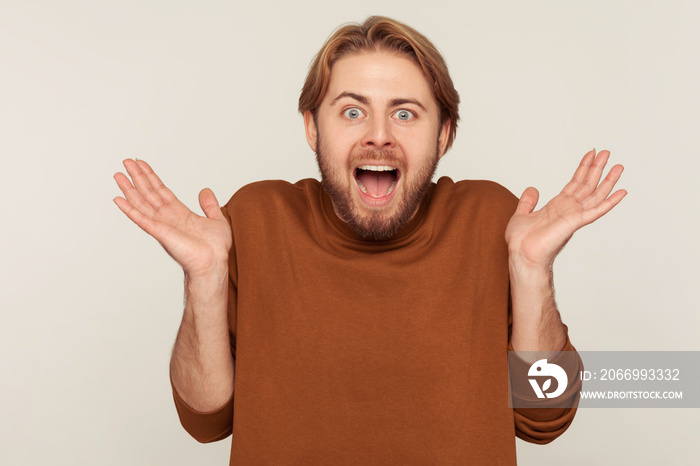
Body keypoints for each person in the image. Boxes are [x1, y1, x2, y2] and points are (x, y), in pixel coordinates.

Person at [113, 16, 625, 465]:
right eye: (352, 111)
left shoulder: (491, 221)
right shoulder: (255, 220)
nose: (378, 135)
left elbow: (546, 416)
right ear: (313, 128)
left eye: (405, 113)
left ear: (444, 134)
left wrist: (532, 269)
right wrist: (203, 278)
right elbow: (204, 422)